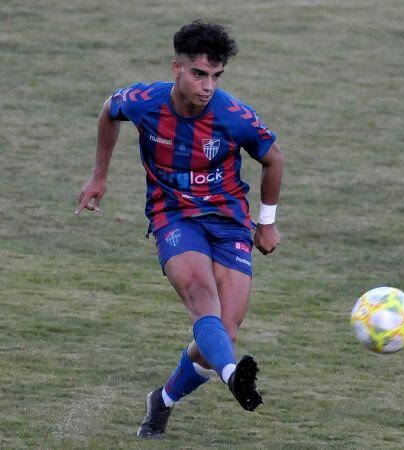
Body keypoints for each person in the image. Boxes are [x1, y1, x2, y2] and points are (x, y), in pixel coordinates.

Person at [76, 20, 284, 440]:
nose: (208, 86)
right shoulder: (144, 101)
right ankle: (232, 377)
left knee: (223, 333)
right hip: (173, 217)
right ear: (177, 68)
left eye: (216, 76)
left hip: (228, 223)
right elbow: (108, 111)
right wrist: (99, 176)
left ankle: (163, 400)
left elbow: (273, 159)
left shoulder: (234, 116)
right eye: (199, 74)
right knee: (202, 300)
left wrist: (266, 222)